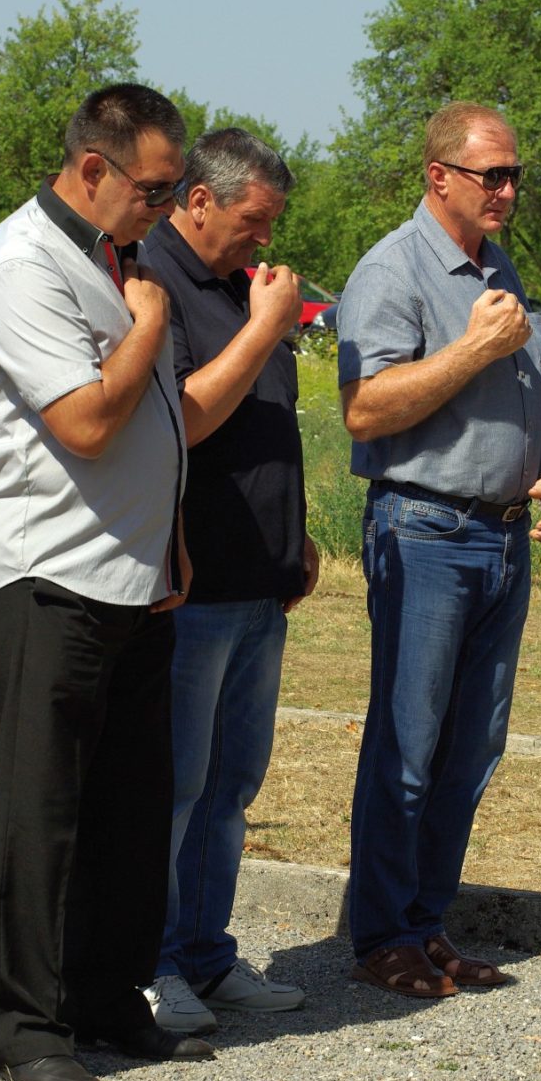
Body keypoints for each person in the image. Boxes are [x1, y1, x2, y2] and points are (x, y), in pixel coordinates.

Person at [0, 84, 214, 1081]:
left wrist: (170, 538)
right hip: (46, 576)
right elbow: (88, 422)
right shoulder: (20, 265)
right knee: (40, 813)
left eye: (174, 189)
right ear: (93, 168)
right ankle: (22, 1026)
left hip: (131, 575)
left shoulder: (115, 253)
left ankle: (106, 999)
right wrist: (148, 323)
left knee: (128, 810)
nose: (167, 206)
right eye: (154, 189)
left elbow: (154, 422)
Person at [336, 102, 541, 999]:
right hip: (427, 530)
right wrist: (472, 349)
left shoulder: (497, 265)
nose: (507, 190)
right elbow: (365, 408)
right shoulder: (391, 270)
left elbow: (536, 380)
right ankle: (381, 935)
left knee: (471, 747)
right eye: (492, 174)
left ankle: (425, 923)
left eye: (515, 175)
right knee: (407, 744)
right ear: (439, 175)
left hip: (504, 538)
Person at [140, 128, 318, 1035]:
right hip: (193, 587)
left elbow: (267, 417)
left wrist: (294, 534)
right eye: (254, 220)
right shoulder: (154, 280)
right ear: (199, 199)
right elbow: (189, 417)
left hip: (259, 583)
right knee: (174, 786)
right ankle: (154, 963)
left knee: (230, 784)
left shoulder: (244, 286)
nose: (265, 239)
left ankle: (207, 954)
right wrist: (264, 327)